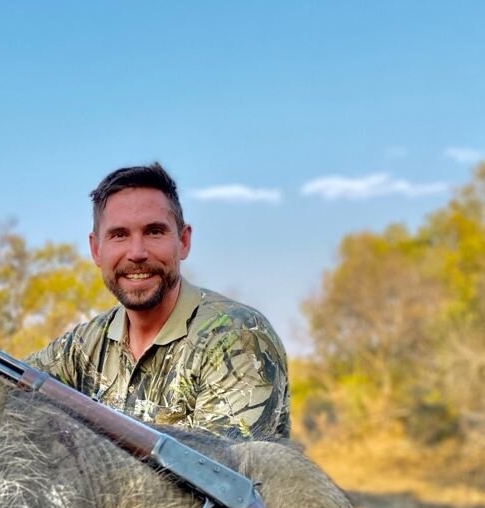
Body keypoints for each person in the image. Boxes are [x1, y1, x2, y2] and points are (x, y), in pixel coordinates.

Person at [29, 163, 290, 439]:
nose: (137, 253)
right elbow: (1, 387)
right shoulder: (82, 347)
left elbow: (219, 472)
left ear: (183, 241)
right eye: (119, 235)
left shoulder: (238, 337)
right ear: (96, 250)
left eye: (154, 231)